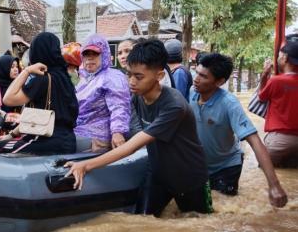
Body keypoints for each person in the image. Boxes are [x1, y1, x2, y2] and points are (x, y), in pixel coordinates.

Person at [66, 39, 212, 217]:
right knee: (141, 221)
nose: (131, 82)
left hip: (189, 177)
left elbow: (132, 146)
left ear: (159, 76)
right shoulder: (137, 96)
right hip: (158, 173)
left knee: (199, 226)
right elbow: (120, 122)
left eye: (138, 76)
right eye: (129, 75)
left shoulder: (174, 105)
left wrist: (86, 166)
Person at [191, 53, 287, 207]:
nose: (196, 79)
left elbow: (255, 141)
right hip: (200, 166)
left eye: (203, 76)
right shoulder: (192, 92)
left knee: (224, 211)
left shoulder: (229, 104)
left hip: (227, 167)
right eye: (197, 73)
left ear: (219, 82)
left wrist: (274, 185)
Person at [0, 32, 79, 155]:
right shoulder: (64, 77)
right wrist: (11, 135)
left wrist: (26, 70)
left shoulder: (42, 77)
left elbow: (8, 99)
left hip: (47, 140)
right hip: (67, 140)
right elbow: (35, 117)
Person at [74, 34, 131, 152]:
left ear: (104, 54)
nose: (90, 58)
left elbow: (119, 106)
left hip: (98, 138)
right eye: (86, 54)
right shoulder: (84, 79)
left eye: (95, 54)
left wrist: (117, 132)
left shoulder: (112, 77)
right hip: (79, 131)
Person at [258, 41, 298, 168]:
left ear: (285, 58)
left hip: (278, 142)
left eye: (279, 55)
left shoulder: (276, 81)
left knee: (266, 172)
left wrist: (265, 75)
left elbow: (261, 97)